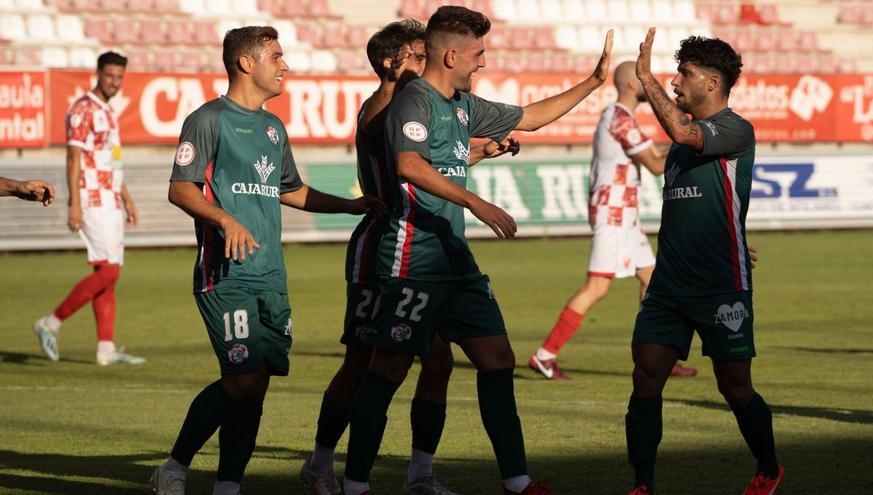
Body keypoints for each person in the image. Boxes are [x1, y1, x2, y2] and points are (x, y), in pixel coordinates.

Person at [341, 7, 612, 495]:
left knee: (497, 359)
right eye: (478, 53)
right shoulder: (413, 102)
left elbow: (530, 117)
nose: (483, 62)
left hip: (454, 258)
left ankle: (515, 481)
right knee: (389, 368)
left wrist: (593, 81)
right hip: (413, 259)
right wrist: (476, 201)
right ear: (450, 55)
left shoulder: (462, 103)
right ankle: (355, 485)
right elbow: (408, 164)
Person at [149, 26, 381, 495]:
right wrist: (225, 221)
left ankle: (228, 486)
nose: (285, 65)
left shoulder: (274, 127)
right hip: (225, 274)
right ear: (246, 63)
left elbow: (290, 189)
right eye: (276, 56)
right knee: (242, 378)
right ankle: (174, 466)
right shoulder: (207, 119)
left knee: (256, 386)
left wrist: (350, 204)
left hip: (271, 276)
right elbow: (180, 188)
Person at [300, 19, 519, 495]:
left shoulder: (411, 105)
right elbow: (413, 163)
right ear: (389, 63)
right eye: (416, 57)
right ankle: (322, 462)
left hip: (420, 245)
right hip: (387, 244)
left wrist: (478, 150)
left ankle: (418, 474)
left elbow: (433, 159)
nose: (423, 66)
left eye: (426, 57)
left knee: (435, 363)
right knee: (366, 362)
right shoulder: (385, 108)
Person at [625, 28, 781, 495]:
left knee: (734, 389)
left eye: (684, 75)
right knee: (646, 377)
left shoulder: (735, 129)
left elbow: (679, 127)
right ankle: (643, 486)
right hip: (669, 286)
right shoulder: (680, 146)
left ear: (712, 83)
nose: (675, 83)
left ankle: (769, 469)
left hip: (720, 286)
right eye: (673, 75)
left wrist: (644, 76)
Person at [528, 61, 698, 381]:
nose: (650, 85)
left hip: (624, 215)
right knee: (597, 287)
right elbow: (657, 165)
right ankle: (544, 355)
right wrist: (692, 137)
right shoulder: (620, 118)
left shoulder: (620, 116)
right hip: (614, 213)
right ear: (632, 85)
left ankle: (658, 357)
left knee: (655, 283)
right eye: (644, 80)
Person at [32, 51, 143, 366]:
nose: (114, 82)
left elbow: (110, 161)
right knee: (110, 270)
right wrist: (74, 204)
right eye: (110, 75)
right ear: (97, 73)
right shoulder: (82, 109)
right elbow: (74, 157)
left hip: (110, 199)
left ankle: (105, 348)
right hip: (91, 199)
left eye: (119, 77)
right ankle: (50, 323)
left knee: (106, 273)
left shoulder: (108, 111)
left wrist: (127, 198)